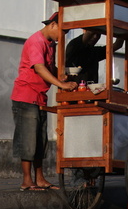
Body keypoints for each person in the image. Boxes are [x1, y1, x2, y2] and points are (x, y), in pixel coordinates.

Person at [11, 11, 78, 191]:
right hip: (25, 96)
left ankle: (40, 178)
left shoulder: (51, 44)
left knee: (41, 140)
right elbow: (40, 68)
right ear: (53, 25)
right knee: (28, 140)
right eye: (62, 32)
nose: (61, 37)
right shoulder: (36, 41)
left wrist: (64, 77)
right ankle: (27, 180)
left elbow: (50, 67)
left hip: (40, 96)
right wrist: (61, 85)